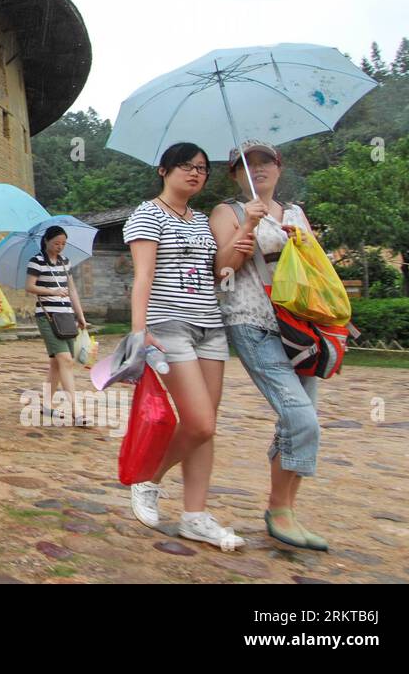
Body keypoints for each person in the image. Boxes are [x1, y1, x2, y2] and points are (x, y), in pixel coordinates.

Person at [124, 142, 244, 550]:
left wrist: (245, 233)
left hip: (210, 327)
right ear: (163, 170)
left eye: (202, 169)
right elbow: (143, 276)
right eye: (185, 166)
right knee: (199, 422)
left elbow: (217, 272)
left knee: (205, 430)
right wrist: (140, 332)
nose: (194, 174)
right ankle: (148, 477)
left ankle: (195, 516)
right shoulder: (147, 214)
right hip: (170, 325)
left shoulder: (201, 221)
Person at [210, 140, 327, 551]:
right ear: (236, 175)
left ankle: (286, 511)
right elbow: (221, 272)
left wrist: (302, 243)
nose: (257, 170)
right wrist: (246, 229)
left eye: (265, 162)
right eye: (247, 165)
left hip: (300, 328)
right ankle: (279, 511)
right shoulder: (227, 212)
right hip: (252, 321)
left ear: (279, 168)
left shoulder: (295, 213)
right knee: (301, 419)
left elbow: (316, 270)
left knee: (300, 417)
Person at [26, 225, 89, 426]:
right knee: (66, 360)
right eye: (56, 243)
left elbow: (72, 290)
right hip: (48, 316)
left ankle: (46, 404)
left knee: (56, 363)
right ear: (46, 241)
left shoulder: (65, 263)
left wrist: (80, 315)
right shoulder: (36, 261)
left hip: (66, 317)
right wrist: (52, 292)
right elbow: (29, 286)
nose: (60, 247)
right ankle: (76, 411)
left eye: (63, 243)